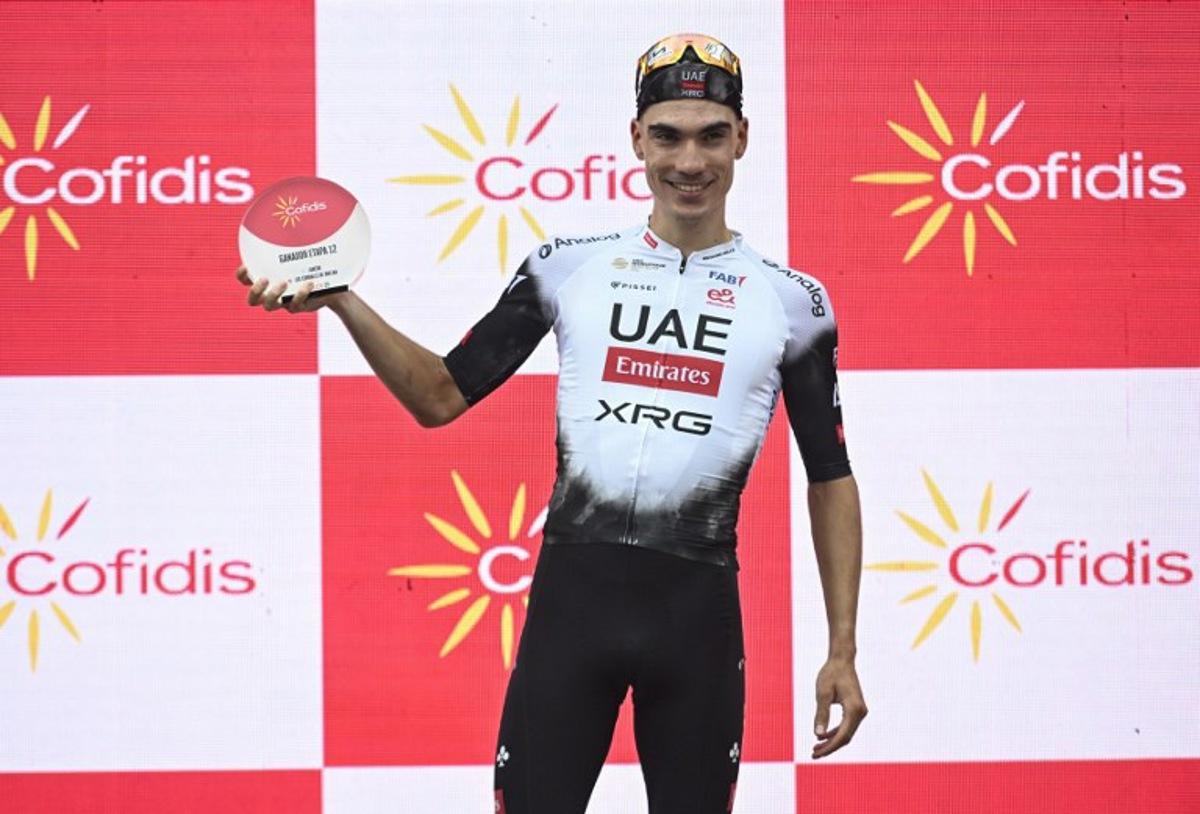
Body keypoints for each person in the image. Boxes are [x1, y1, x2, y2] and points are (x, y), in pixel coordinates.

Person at [238, 32, 866, 814]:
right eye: (667, 136)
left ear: (743, 137)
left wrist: (841, 648)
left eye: (711, 136)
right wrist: (340, 299)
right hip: (574, 607)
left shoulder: (794, 302)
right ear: (636, 138)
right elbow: (438, 396)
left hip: (697, 615)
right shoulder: (567, 266)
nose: (690, 163)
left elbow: (830, 477)